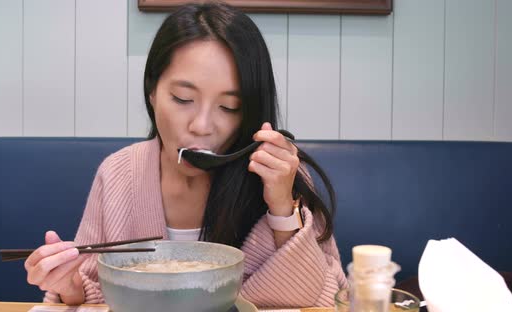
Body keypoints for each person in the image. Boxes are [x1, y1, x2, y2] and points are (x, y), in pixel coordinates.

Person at [24, 2, 347, 307]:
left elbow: (325, 301)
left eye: (228, 107)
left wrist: (280, 207)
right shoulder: (119, 174)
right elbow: (97, 296)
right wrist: (68, 285)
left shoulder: (279, 174)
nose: (202, 126)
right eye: (182, 98)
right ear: (152, 91)